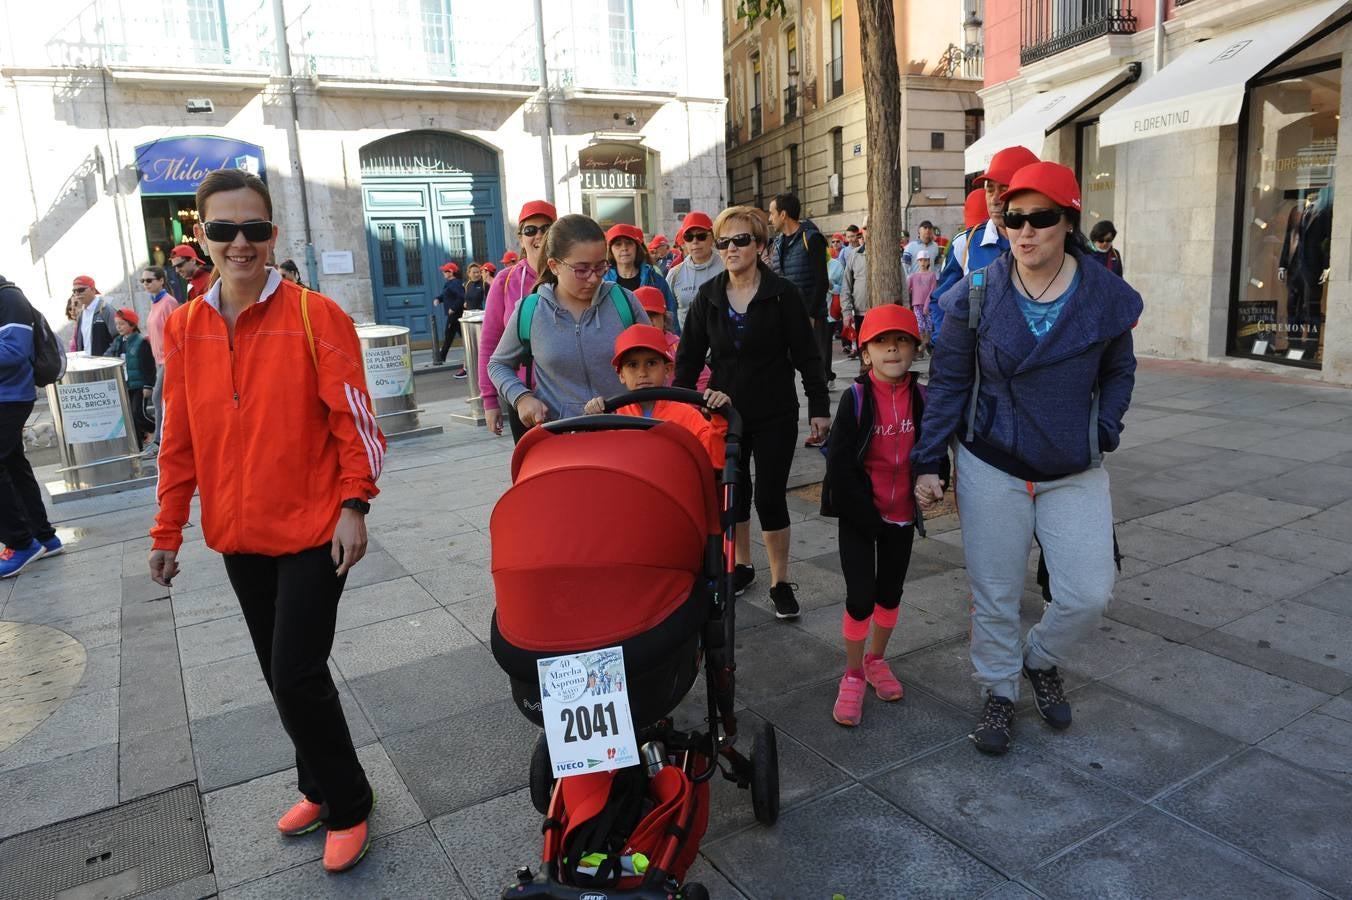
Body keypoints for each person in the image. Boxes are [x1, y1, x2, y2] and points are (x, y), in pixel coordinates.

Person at [148, 168, 385, 872]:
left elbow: (357, 425)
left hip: (315, 529)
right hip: (239, 537)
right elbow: (178, 439)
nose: (241, 242)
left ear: (272, 233)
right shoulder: (186, 328)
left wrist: (354, 505)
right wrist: (167, 531)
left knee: (295, 674)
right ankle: (317, 783)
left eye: (255, 228)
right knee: (282, 673)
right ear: (203, 236)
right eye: (224, 229)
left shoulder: (316, 316)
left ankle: (348, 803)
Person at [912, 162, 1142, 755]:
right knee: (994, 592)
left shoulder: (1105, 295)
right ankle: (997, 691)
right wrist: (928, 460)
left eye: (1041, 218)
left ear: (1068, 221)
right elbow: (949, 381)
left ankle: (1039, 659)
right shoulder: (979, 291)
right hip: (993, 460)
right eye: (1014, 218)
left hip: (1073, 467)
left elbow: (1120, 371)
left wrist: (1106, 427)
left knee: (1089, 592)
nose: (1025, 231)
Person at [674, 205, 830, 620]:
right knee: (735, 494)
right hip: (724, 417)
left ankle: (780, 581)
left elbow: (807, 355)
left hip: (776, 411)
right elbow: (687, 360)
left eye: (741, 240)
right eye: (723, 242)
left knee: (770, 496)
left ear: (760, 245)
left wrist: (819, 407)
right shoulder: (708, 297)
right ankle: (742, 566)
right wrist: (677, 410)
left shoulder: (782, 294)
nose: (730, 249)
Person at [820, 305, 940, 726]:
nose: (893, 347)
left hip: (901, 518)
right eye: (881, 341)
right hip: (860, 516)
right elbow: (838, 466)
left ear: (915, 347)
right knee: (860, 597)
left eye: (902, 340)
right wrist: (866, 516)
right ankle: (852, 673)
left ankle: (876, 660)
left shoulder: (924, 397)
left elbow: (934, 451)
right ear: (866, 352)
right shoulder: (855, 399)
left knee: (890, 594)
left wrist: (933, 484)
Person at [488, 214, 650, 428]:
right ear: (554, 266)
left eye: (601, 267)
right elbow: (498, 364)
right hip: (562, 438)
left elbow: (658, 358)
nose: (593, 278)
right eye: (581, 269)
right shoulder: (531, 310)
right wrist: (521, 397)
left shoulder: (625, 302)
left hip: (628, 431)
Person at [931, 146, 1040, 344]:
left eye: (1004, 189)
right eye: (990, 189)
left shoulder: (1050, 242)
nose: (995, 199)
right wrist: (946, 348)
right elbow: (940, 301)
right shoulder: (966, 243)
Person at [582, 324, 729, 468]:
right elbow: (599, 462)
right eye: (633, 365)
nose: (642, 373)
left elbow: (715, 458)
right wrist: (594, 421)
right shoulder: (612, 419)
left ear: (667, 370)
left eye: (651, 363)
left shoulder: (686, 415)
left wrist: (718, 417)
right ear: (621, 374)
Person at [478, 200, 557, 438]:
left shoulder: (569, 274)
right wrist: (490, 401)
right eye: (530, 230)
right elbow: (490, 344)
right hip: (523, 398)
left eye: (546, 228)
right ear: (521, 237)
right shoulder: (505, 281)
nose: (539, 235)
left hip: (568, 395)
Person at [0, 277, 62, 578]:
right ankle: (44, 538)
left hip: (9, 396)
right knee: (13, 465)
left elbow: (13, 352)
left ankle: (20, 543)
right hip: (7, 395)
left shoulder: (8, 298)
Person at [768, 193, 831, 397]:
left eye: (772, 213)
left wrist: (811, 315)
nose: (770, 219)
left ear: (783, 214)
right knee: (782, 368)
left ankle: (820, 416)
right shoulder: (776, 244)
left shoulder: (811, 239)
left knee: (815, 369)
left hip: (812, 317)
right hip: (785, 318)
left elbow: (822, 282)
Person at [603, 224, 680, 336]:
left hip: (653, 344)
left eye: (629, 243)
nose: (624, 248)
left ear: (636, 247)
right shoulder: (604, 284)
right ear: (611, 251)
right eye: (618, 244)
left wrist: (674, 347)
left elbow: (671, 317)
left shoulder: (655, 280)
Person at [140, 266, 180, 458]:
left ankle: (159, 440)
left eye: (149, 280)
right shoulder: (155, 303)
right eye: (143, 281)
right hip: (160, 359)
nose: (145, 284)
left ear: (161, 280)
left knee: (157, 398)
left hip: (169, 358)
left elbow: (176, 330)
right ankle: (167, 439)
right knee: (163, 400)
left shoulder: (168, 303)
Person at [103, 308, 156, 448]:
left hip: (139, 385)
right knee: (131, 418)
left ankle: (157, 429)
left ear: (132, 325)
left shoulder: (141, 342)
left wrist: (148, 385)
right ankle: (137, 445)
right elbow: (109, 356)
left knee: (139, 414)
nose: (118, 327)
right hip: (126, 384)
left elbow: (148, 366)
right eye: (117, 324)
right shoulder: (119, 341)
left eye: (122, 324)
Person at [666, 212, 725, 323]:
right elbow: (668, 314)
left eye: (701, 236)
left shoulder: (727, 268)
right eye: (689, 237)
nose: (695, 241)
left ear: (712, 238)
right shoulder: (674, 274)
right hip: (686, 339)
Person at [632, 286, 680, 375]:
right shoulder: (627, 348)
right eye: (644, 315)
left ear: (664, 317)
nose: (648, 320)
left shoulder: (678, 346)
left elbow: (703, 379)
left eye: (654, 314)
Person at [435, 262, 467, 376]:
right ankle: (441, 357)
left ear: (451, 272)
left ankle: (441, 357)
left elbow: (461, 297)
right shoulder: (449, 283)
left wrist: (453, 308)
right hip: (453, 314)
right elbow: (445, 295)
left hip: (456, 315)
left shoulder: (455, 283)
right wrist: (438, 299)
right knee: (451, 334)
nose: (443, 273)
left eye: (445, 271)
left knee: (449, 334)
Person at [70, 276, 117, 356]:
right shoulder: (81, 313)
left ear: (93, 290)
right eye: (74, 291)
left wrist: (106, 357)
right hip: (87, 365)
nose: (77, 293)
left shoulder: (106, 309)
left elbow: (118, 337)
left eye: (81, 290)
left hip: (104, 365)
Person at [907, 252, 938, 353]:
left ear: (929, 261)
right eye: (920, 260)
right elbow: (907, 289)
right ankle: (921, 346)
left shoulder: (932, 275)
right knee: (920, 325)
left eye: (925, 260)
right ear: (917, 262)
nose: (923, 262)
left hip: (928, 304)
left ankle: (927, 344)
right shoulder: (913, 276)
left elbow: (932, 290)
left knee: (928, 325)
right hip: (917, 304)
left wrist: (927, 304)